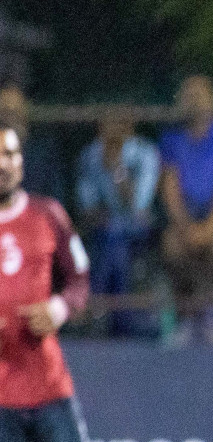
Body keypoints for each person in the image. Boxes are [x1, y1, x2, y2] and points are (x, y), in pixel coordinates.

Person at [0, 125, 91, 442]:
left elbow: (78, 277)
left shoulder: (48, 215)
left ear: (20, 159)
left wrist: (59, 307)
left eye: (10, 153)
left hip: (46, 379)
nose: (4, 162)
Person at [159, 75, 213, 337]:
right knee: (172, 246)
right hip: (184, 216)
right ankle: (185, 315)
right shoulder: (171, 138)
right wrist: (185, 226)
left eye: (201, 94)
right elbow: (169, 186)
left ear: (212, 99)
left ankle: (209, 313)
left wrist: (211, 223)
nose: (195, 100)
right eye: (188, 94)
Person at [76, 111, 160, 335]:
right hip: (104, 232)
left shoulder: (145, 153)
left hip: (140, 231)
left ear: (129, 126)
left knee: (116, 242)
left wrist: (116, 168)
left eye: (117, 122)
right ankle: (118, 321)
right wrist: (99, 215)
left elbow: (139, 207)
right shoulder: (91, 155)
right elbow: (89, 206)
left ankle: (99, 314)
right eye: (106, 122)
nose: (111, 128)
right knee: (113, 240)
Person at [0, 85, 66, 206]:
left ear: (24, 115)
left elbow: (56, 196)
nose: (9, 119)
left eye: (14, 113)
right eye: (4, 114)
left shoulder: (43, 151)